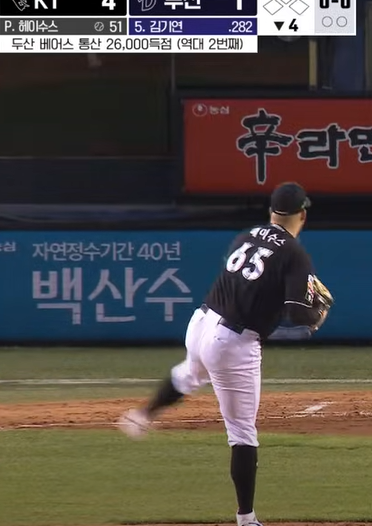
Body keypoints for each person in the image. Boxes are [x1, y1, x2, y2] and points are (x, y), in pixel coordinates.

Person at [116, 182, 334, 526]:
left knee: (190, 373)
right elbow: (297, 312)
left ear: (271, 212)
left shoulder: (247, 236)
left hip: (201, 322)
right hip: (232, 341)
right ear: (302, 215)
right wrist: (316, 315)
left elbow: (253, 286)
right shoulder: (294, 253)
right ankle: (247, 519)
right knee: (242, 431)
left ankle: (141, 416)